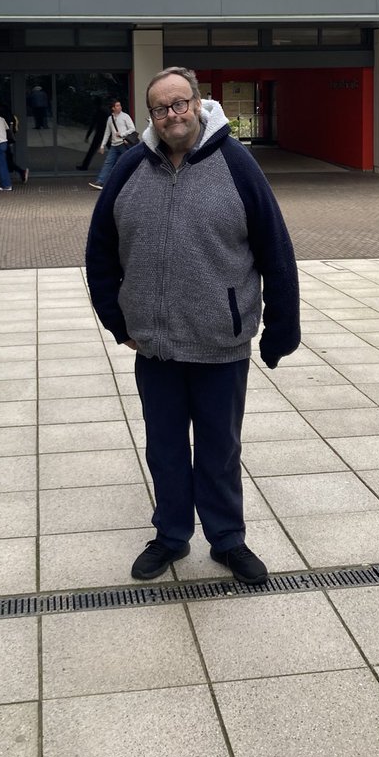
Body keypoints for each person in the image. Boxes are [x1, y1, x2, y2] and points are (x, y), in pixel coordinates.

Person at [85, 66, 301, 586]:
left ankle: (228, 540)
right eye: (161, 108)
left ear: (199, 104)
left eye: (180, 103)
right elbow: (99, 251)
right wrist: (120, 323)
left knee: (220, 449)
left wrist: (280, 331)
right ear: (151, 115)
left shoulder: (236, 163)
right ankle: (171, 535)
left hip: (220, 344)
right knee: (164, 447)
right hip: (155, 346)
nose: (172, 115)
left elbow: (276, 248)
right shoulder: (131, 166)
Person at [88, 99, 137, 191]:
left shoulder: (125, 116)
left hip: (123, 144)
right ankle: (100, 182)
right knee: (108, 163)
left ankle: (132, 182)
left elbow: (132, 129)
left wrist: (122, 134)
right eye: (117, 106)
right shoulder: (110, 119)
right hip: (114, 146)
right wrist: (102, 146)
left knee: (126, 163)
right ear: (113, 108)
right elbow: (107, 133)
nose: (120, 107)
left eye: (120, 105)